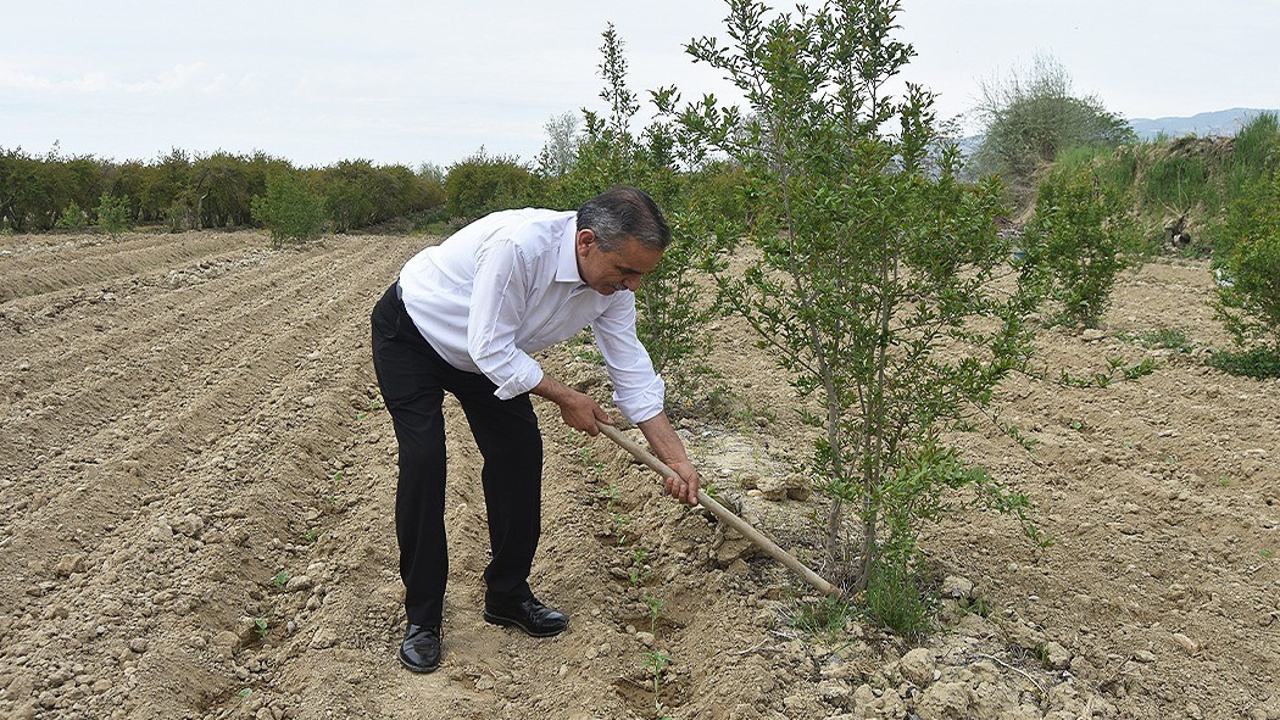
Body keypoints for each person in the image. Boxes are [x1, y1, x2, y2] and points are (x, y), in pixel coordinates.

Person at [370, 185, 702, 674]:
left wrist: (675, 458)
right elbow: (490, 346)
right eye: (626, 271)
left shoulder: (613, 288)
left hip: (488, 355)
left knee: (519, 456)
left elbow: (630, 370)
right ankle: (423, 617)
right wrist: (568, 397)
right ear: (586, 242)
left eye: (641, 274)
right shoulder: (520, 247)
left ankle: (506, 594)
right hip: (415, 334)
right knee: (425, 461)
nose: (633, 285)